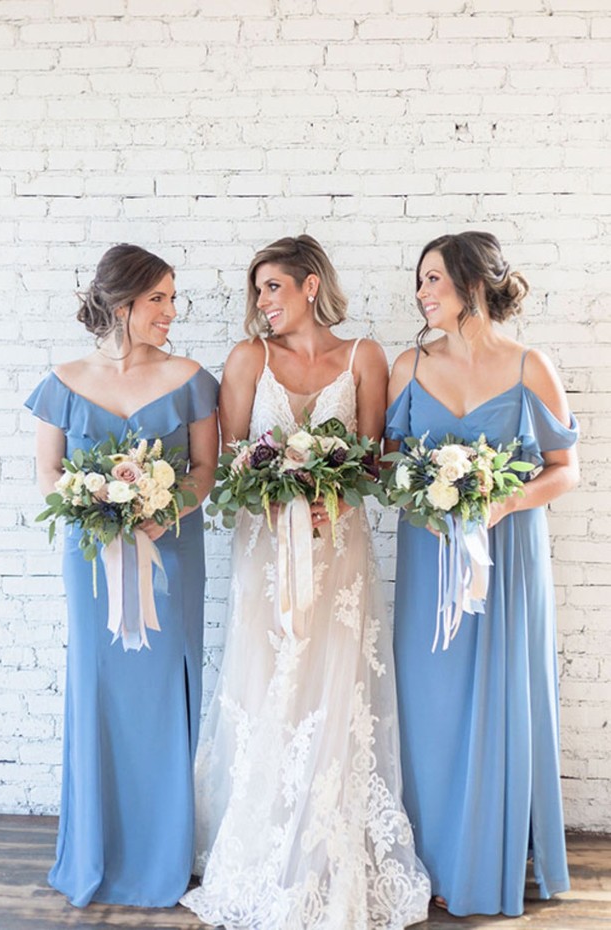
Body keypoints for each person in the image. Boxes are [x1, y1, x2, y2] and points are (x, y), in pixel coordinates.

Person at [180, 235, 430, 928]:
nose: (262, 302)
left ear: (311, 285)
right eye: (257, 290)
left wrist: (336, 493)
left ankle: (328, 846)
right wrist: (273, 488)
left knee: (335, 684)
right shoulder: (246, 358)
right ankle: (261, 841)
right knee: (267, 681)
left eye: (272, 287)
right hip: (266, 554)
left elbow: (375, 460)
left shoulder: (365, 357)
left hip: (338, 553)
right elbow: (228, 463)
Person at [385, 231, 579, 917]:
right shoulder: (408, 365)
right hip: (429, 551)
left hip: (507, 557)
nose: (422, 294)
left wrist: (502, 500)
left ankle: (486, 858)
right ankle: (428, 859)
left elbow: (566, 469)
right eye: (421, 282)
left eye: (433, 279)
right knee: (427, 702)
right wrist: (421, 490)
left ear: (471, 283)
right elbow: (387, 462)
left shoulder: (532, 367)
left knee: (499, 701)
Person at [25, 244, 219, 907]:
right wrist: (94, 513)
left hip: (171, 557)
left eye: (172, 297)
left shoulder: (193, 377)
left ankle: (168, 851)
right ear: (121, 303)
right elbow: (49, 474)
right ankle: (97, 851)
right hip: (93, 563)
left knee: (167, 688)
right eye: (157, 299)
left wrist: (165, 511)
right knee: (99, 686)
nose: (170, 312)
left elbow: (204, 473)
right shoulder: (62, 382)